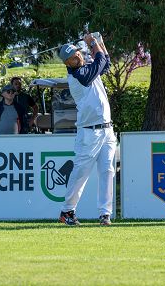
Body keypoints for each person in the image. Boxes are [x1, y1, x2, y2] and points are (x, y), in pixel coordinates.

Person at [57, 33, 117, 226]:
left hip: (107, 130)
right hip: (89, 132)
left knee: (107, 170)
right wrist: (92, 43)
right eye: (73, 58)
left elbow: (105, 62)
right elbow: (99, 61)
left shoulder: (87, 68)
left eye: (78, 54)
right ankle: (67, 211)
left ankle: (105, 214)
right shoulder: (78, 76)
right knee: (81, 171)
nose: (78, 58)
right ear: (67, 63)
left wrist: (100, 42)